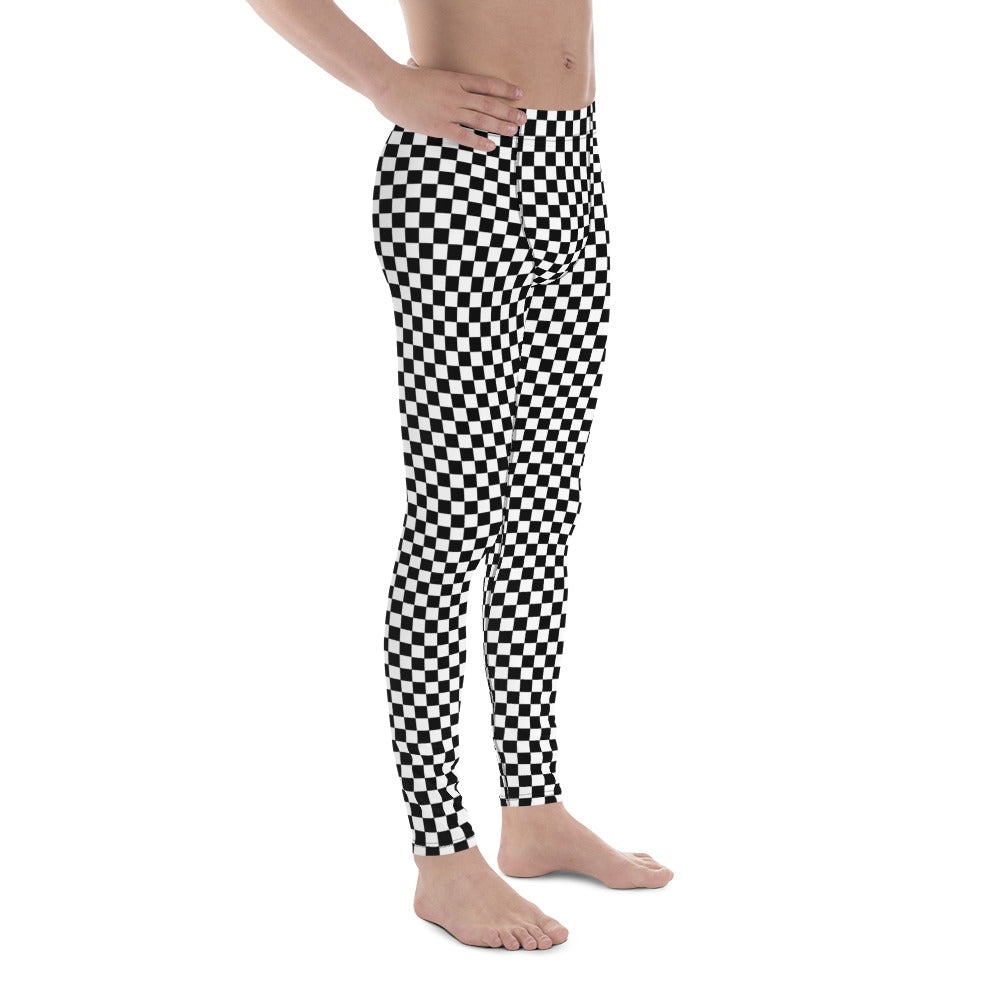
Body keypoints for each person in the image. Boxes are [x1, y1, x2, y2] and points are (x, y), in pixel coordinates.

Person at [244, 0, 674, 950]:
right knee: (452, 521)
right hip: (462, 176)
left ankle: (534, 811)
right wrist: (384, 83)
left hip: (574, 167)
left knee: (540, 521)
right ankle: (442, 859)